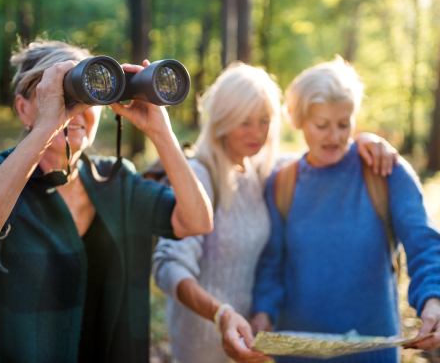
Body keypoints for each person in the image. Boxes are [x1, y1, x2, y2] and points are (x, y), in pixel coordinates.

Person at [0, 38, 213, 363]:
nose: (74, 109)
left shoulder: (116, 181)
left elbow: (196, 221)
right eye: (59, 94)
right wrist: (47, 127)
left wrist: (161, 130)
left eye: (86, 94)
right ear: (23, 108)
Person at [152, 62, 400, 363]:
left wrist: (364, 141)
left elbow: (321, 155)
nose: (256, 132)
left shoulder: (262, 172)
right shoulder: (199, 176)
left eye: (264, 120)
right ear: (222, 120)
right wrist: (222, 314)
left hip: (253, 344)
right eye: (244, 121)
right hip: (204, 347)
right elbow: (169, 267)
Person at [250, 56, 440, 363]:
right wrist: (262, 313)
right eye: (321, 125)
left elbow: (425, 241)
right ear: (298, 121)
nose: (334, 137)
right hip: (297, 353)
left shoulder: (385, 171)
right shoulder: (282, 183)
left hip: (372, 352)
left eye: (344, 123)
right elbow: (272, 264)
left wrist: (434, 302)